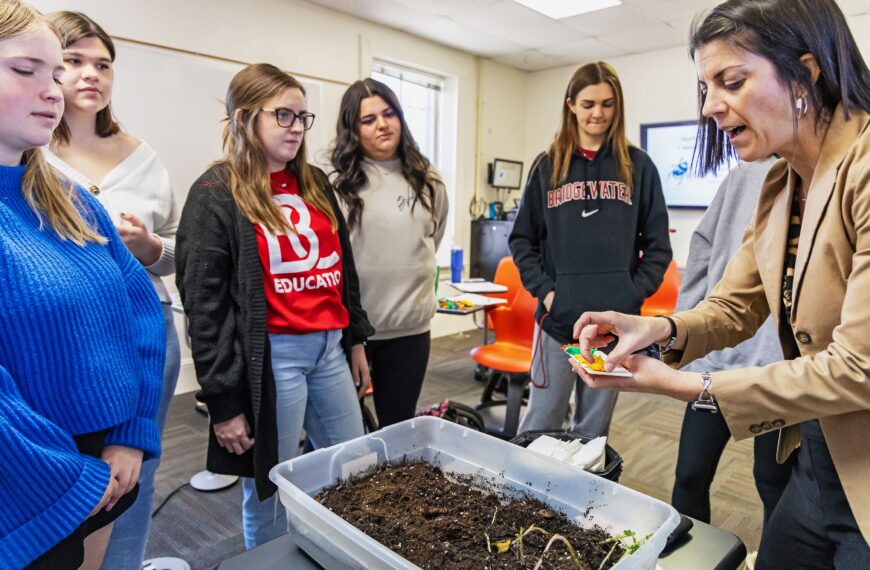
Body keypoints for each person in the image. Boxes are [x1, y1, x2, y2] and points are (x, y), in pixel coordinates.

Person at [571, 0, 870, 566]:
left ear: (806, 72)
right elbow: (736, 306)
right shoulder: (783, 183)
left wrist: (685, 387)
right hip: (817, 459)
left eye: (731, 82)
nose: (710, 107)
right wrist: (656, 327)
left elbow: (859, 368)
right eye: (705, 88)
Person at [176, 63, 374, 549]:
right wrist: (223, 403)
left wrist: (356, 340)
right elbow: (205, 308)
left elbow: (342, 266)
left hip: (329, 349)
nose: (295, 127)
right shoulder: (215, 193)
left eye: (302, 117)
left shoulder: (314, 182)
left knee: (351, 469)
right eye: (282, 115)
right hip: (273, 359)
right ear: (245, 118)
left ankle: (334, 552)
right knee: (270, 488)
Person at [0, 1, 165, 567]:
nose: (55, 91)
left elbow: (138, 311)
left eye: (54, 74)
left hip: (102, 462)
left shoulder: (70, 203)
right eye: (27, 71)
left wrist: (129, 431)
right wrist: (70, 476)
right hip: (28, 482)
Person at [42, 11, 181, 568]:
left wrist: (149, 247)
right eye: (73, 61)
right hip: (65, 341)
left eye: (102, 64)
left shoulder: (143, 155)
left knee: (136, 470)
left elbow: (173, 252)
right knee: (63, 475)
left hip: (147, 334)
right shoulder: (28, 153)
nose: (89, 75)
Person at [510, 61, 672, 438]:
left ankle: (581, 497)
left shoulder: (640, 167)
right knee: (539, 424)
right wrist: (549, 294)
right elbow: (522, 240)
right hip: (557, 323)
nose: (598, 113)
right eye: (588, 104)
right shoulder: (547, 166)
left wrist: (630, 294)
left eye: (607, 103)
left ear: (618, 106)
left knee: (592, 432)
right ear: (571, 106)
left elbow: (659, 247)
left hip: (614, 329)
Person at [670, 157, 793, 526]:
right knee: (690, 473)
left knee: (773, 481)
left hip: (779, 372)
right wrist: (681, 325)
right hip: (717, 366)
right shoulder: (741, 178)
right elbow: (704, 249)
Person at [330, 78, 448, 428]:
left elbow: (433, 237)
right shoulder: (335, 181)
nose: (382, 124)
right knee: (342, 432)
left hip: (409, 332)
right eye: (368, 120)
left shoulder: (427, 179)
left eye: (389, 113)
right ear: (353, 128)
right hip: (352, 334)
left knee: (398, 427)